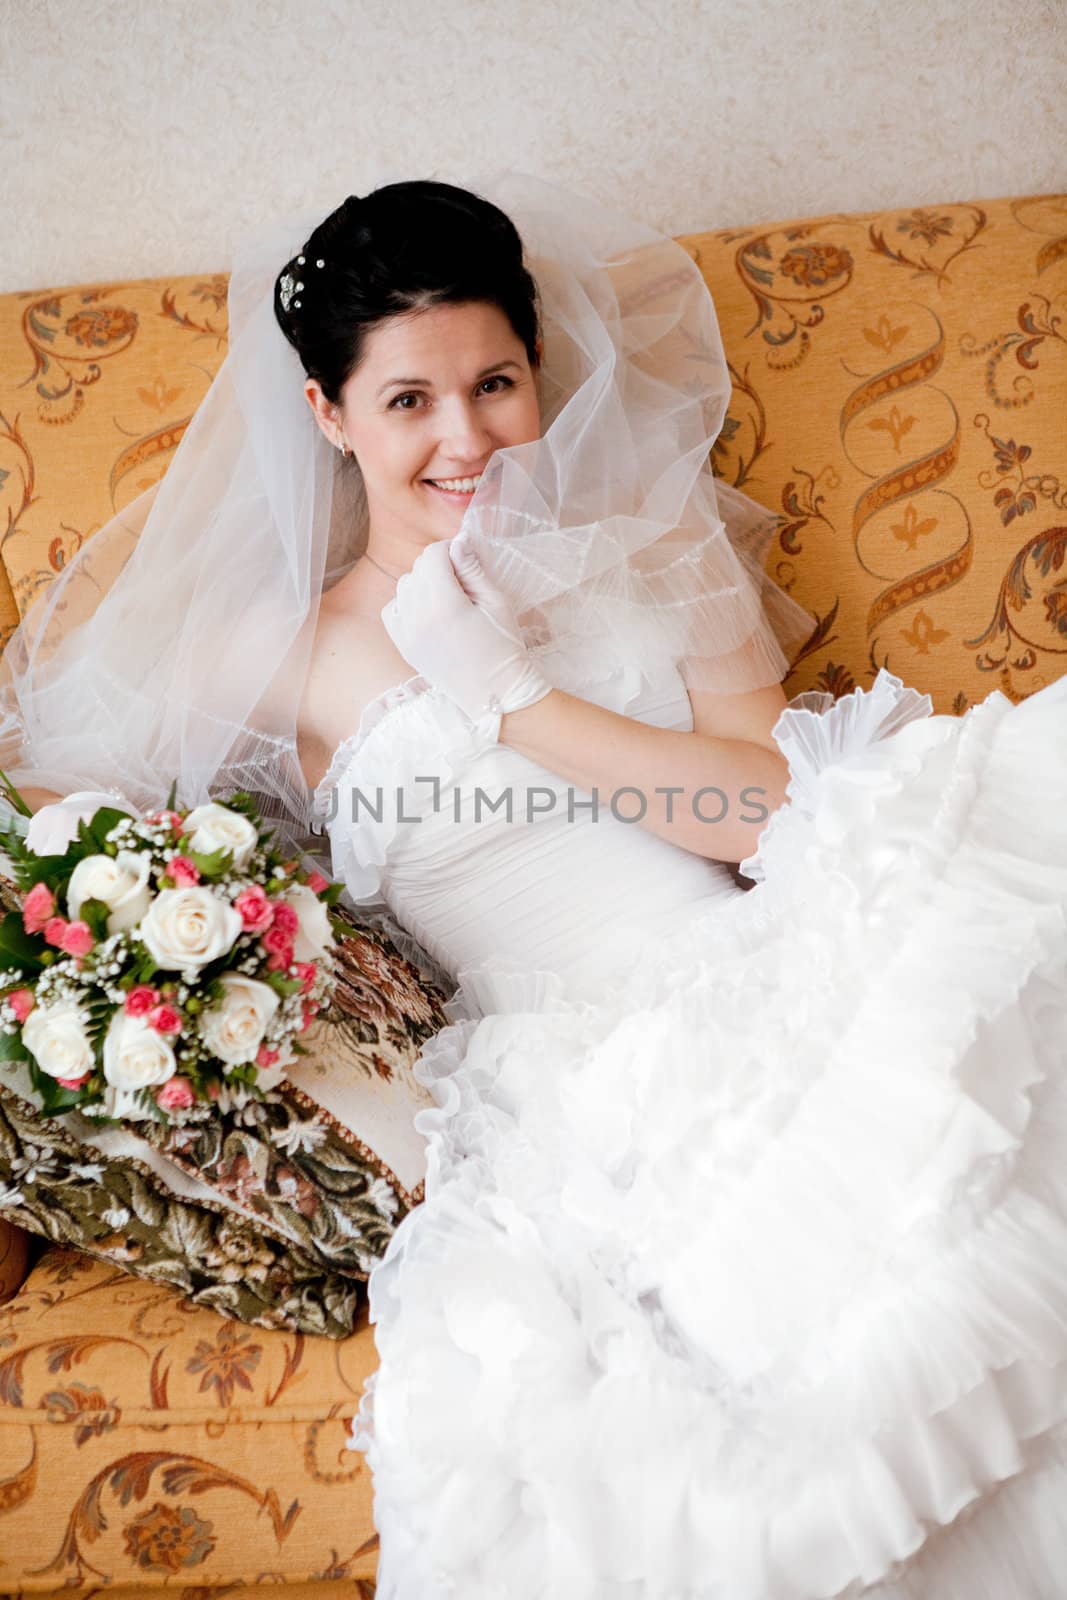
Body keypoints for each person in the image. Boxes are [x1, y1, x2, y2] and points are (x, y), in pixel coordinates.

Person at [4, 173, 1067, 1597]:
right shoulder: (278, 655)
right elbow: (63, 850)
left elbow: (775, 817)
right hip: (561, 1077)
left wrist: (509, 698)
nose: (467, 439)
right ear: (327, 415)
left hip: (783, 956)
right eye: (408, 402)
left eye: (497, 383)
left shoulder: (656, 543)